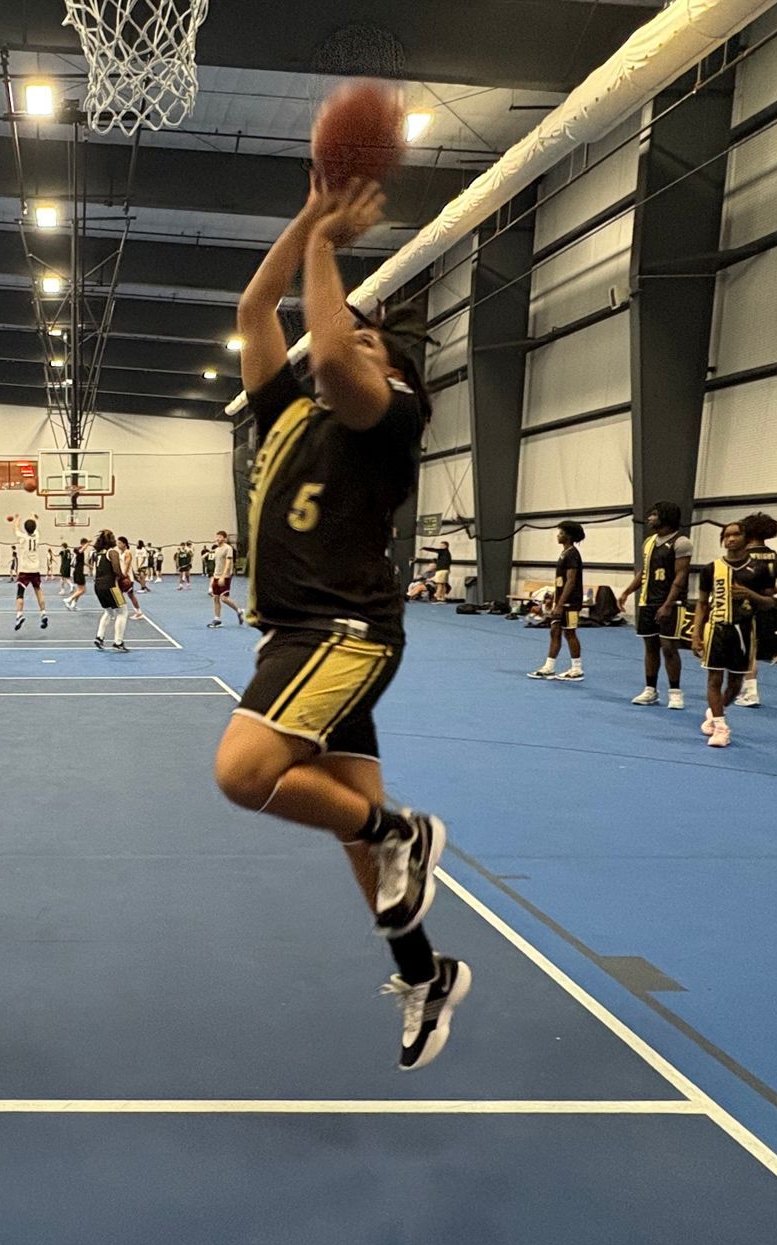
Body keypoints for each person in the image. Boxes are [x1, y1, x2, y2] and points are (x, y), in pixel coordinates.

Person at [213, 173, 465, 1071]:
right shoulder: (288, 417)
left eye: (365, 338)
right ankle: (426, 972)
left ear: (390, 371)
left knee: (244, 774)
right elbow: (255, 310)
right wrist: (309, 217)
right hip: (293, 636)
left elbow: (327, 356)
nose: (343, 340)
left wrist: (326, 250)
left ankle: (403, 832)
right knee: (354, 835)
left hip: (342, 632)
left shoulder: (390, 417)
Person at [689, 515, 777, 747]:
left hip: (744, 629)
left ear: (746, 538)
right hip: (717, 628)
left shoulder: (760, 569)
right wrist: (696, 633)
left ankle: (716, 712)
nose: (730, 539)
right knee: (714, 678)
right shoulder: (711, 569)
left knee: (735, 682)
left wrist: (750, 595)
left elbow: (770, 602)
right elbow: (702, 603)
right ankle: (721, 727)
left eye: (735, 534)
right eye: (726, 535)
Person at [616, 501, 692, 709]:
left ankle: (675, 692)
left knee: (669, 648)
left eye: (654, 514)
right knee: (650, 647)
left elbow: (681, 575)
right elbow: (644, 572)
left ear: (665, 517)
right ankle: (650, 689)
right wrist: (627, 592)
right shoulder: (649, 542)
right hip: (647, 602)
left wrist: (667, 604)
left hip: (672, 603)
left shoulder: (681, 542)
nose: (649, 518)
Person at [735, 524, 777, 708]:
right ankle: (745, 689)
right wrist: (769, 594)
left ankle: (750, 692)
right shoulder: (775, 556)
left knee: (745, 652)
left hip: (744, 607)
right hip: (766, 607)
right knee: (751, 650)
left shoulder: (743, 555)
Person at [527, 522, 586, 681]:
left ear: (569, 536)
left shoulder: (572, 554)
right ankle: (549, 667)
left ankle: (577, 669)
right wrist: (554, 598)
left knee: (569, 632)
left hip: (570, 602)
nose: (558, 535)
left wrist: (560, 604)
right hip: (560, 600)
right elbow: (561, 581)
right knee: (554, 631)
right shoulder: (564, 553)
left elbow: (571, 581)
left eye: (561, 533)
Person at [90, 528, 130, 653]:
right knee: (123, 611)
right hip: (111, 586)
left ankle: (99, 637)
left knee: (108, 611)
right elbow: (117, 570)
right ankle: (118, 642)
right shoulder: (112, 552)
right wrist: (124, 578)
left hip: (98, 586)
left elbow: (94, 572)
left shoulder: (97, 554)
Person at [10, 515, 49, 630]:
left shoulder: (23, 537)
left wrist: (17, 519)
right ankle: (43, 613)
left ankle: (19, 615)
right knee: (38, 591)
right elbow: (35, 526)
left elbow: (16, 528)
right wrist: (33, 516)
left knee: (20, 593)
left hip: (25, 569)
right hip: (35, 569)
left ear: (25, 528)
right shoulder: (37, 536)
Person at [207, 529, 245, 627]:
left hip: (225, 577)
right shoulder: (217, 549)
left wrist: (223, 577)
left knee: (224, 598)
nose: (218, 539)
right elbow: (217, 564)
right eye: (217, 537)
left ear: (224, 538)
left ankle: (239, 610)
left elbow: (228, 563)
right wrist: (214, 577)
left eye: (220, 537)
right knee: (216, 598)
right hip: (216, 576)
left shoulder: (228, 548)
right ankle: (217, 619)